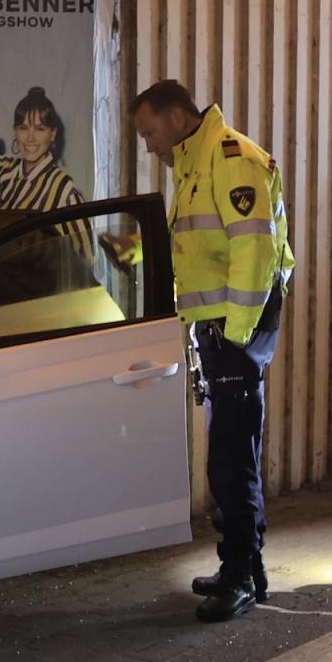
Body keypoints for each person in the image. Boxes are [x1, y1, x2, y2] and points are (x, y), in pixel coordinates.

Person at [130, 79, 291, 623]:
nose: (148, 144)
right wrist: (133, 252)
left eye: (150, 131)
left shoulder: (230, 159)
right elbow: (199, 247)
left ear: (178, 118)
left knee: (229, 451)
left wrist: (237, 336)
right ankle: (244, 565)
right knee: (230, 448)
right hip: (220, 327)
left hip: (236, 327)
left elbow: (256, 251)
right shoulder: (195, 166)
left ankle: (241, 575)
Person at [0, 87, 84, 215]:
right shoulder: (2, 169)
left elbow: (83, 235)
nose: (30, 138)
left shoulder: (62, 189)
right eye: (23, 128)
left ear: (53, 133)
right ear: (15, 131)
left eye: (40, 129)